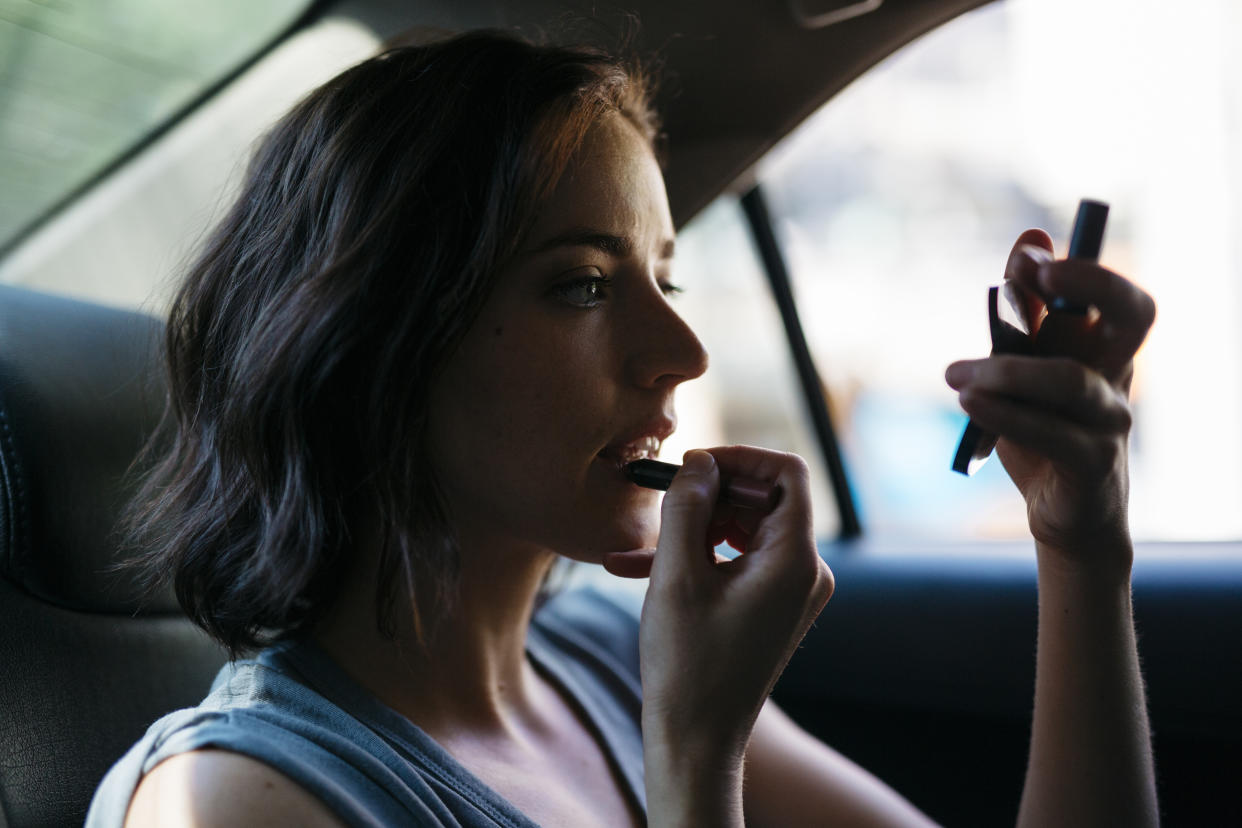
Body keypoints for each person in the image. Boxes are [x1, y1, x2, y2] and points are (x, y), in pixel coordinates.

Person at [87, 29, 1159, 828]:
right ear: (373, 343)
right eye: (584, 286)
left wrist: (1080, 543)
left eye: (665, 274)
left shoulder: (605, 661)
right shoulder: (238, 799)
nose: (683, 352)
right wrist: (696, 759)